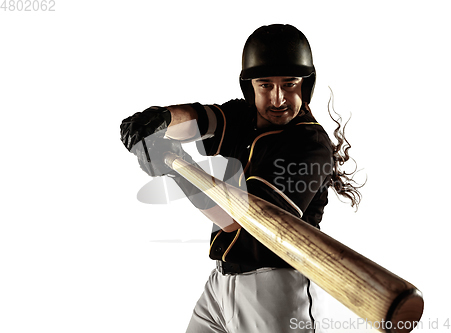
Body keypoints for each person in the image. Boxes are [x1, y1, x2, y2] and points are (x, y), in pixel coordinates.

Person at [120, 24, 361, 333]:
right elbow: (198, 119)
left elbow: (240, 218)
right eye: (265, 85)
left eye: (289, 84)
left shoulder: (309, 144)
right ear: (250, 87)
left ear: (306, 85)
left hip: (276, 287)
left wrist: (174, 166)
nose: (277, 99)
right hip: (221, 281)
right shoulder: (244, 116)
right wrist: (158, 122)